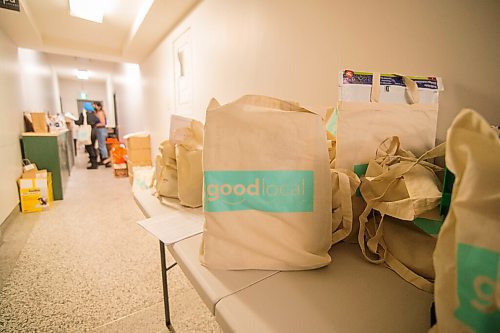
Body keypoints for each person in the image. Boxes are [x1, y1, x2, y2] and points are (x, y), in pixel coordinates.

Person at [75, 102, 100, 169]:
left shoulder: (83, 114)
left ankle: (93, 164)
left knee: (89, 147)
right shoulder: (93, 114)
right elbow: (98, 120)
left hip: (87, 133)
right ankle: (95, 163)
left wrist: (75, 121)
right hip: (94, 132)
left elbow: (79, 122)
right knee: (93, 147)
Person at [93, 101, 111, 167]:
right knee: (101, 146)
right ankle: (103, 160)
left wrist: (95, 125)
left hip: (101, 130)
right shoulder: (98, 112)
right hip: (100, 130)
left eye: (95, 106)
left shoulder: (100, 113)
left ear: (99, 106)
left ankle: (106, 161)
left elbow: (103, 123)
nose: (94, 107)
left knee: (102, 146)